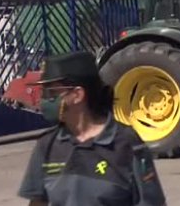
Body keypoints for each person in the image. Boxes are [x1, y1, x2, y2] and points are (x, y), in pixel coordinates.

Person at [17, 51, 167, 206]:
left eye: (51, 93)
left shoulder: (126, 144)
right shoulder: (47, 146)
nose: (45, 100)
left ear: (77, 95)